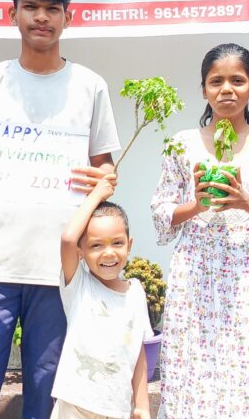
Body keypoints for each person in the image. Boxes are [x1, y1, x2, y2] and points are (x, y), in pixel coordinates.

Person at [0, 0, 120, 419]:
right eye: (30, 6)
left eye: (52, 8)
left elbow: (107, 172)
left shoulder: (90, 87)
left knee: (48, 391)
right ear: (14, 14)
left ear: (69, 16)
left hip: (60, 266)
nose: (41, 17)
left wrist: (100, 181)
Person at [151, 43, 249, 418]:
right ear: (203, 89)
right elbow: (161, 215)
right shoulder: (181, 145)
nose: (226, 89)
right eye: (216, 81)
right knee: (193, 365)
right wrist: (197, 205)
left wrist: (247, 203)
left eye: (238, 80)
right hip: (195, 267)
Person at [52, 173, 152, 419]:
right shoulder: (78, 286)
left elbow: (138, 352)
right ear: (81, 252)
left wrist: (142, 404)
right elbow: (67, 238)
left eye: (117, 243)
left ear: (130, 245)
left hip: (117, 408)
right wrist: (96, 195)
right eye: (96, 245)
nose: (108, 253)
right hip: (75, 405)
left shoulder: (136, 292)